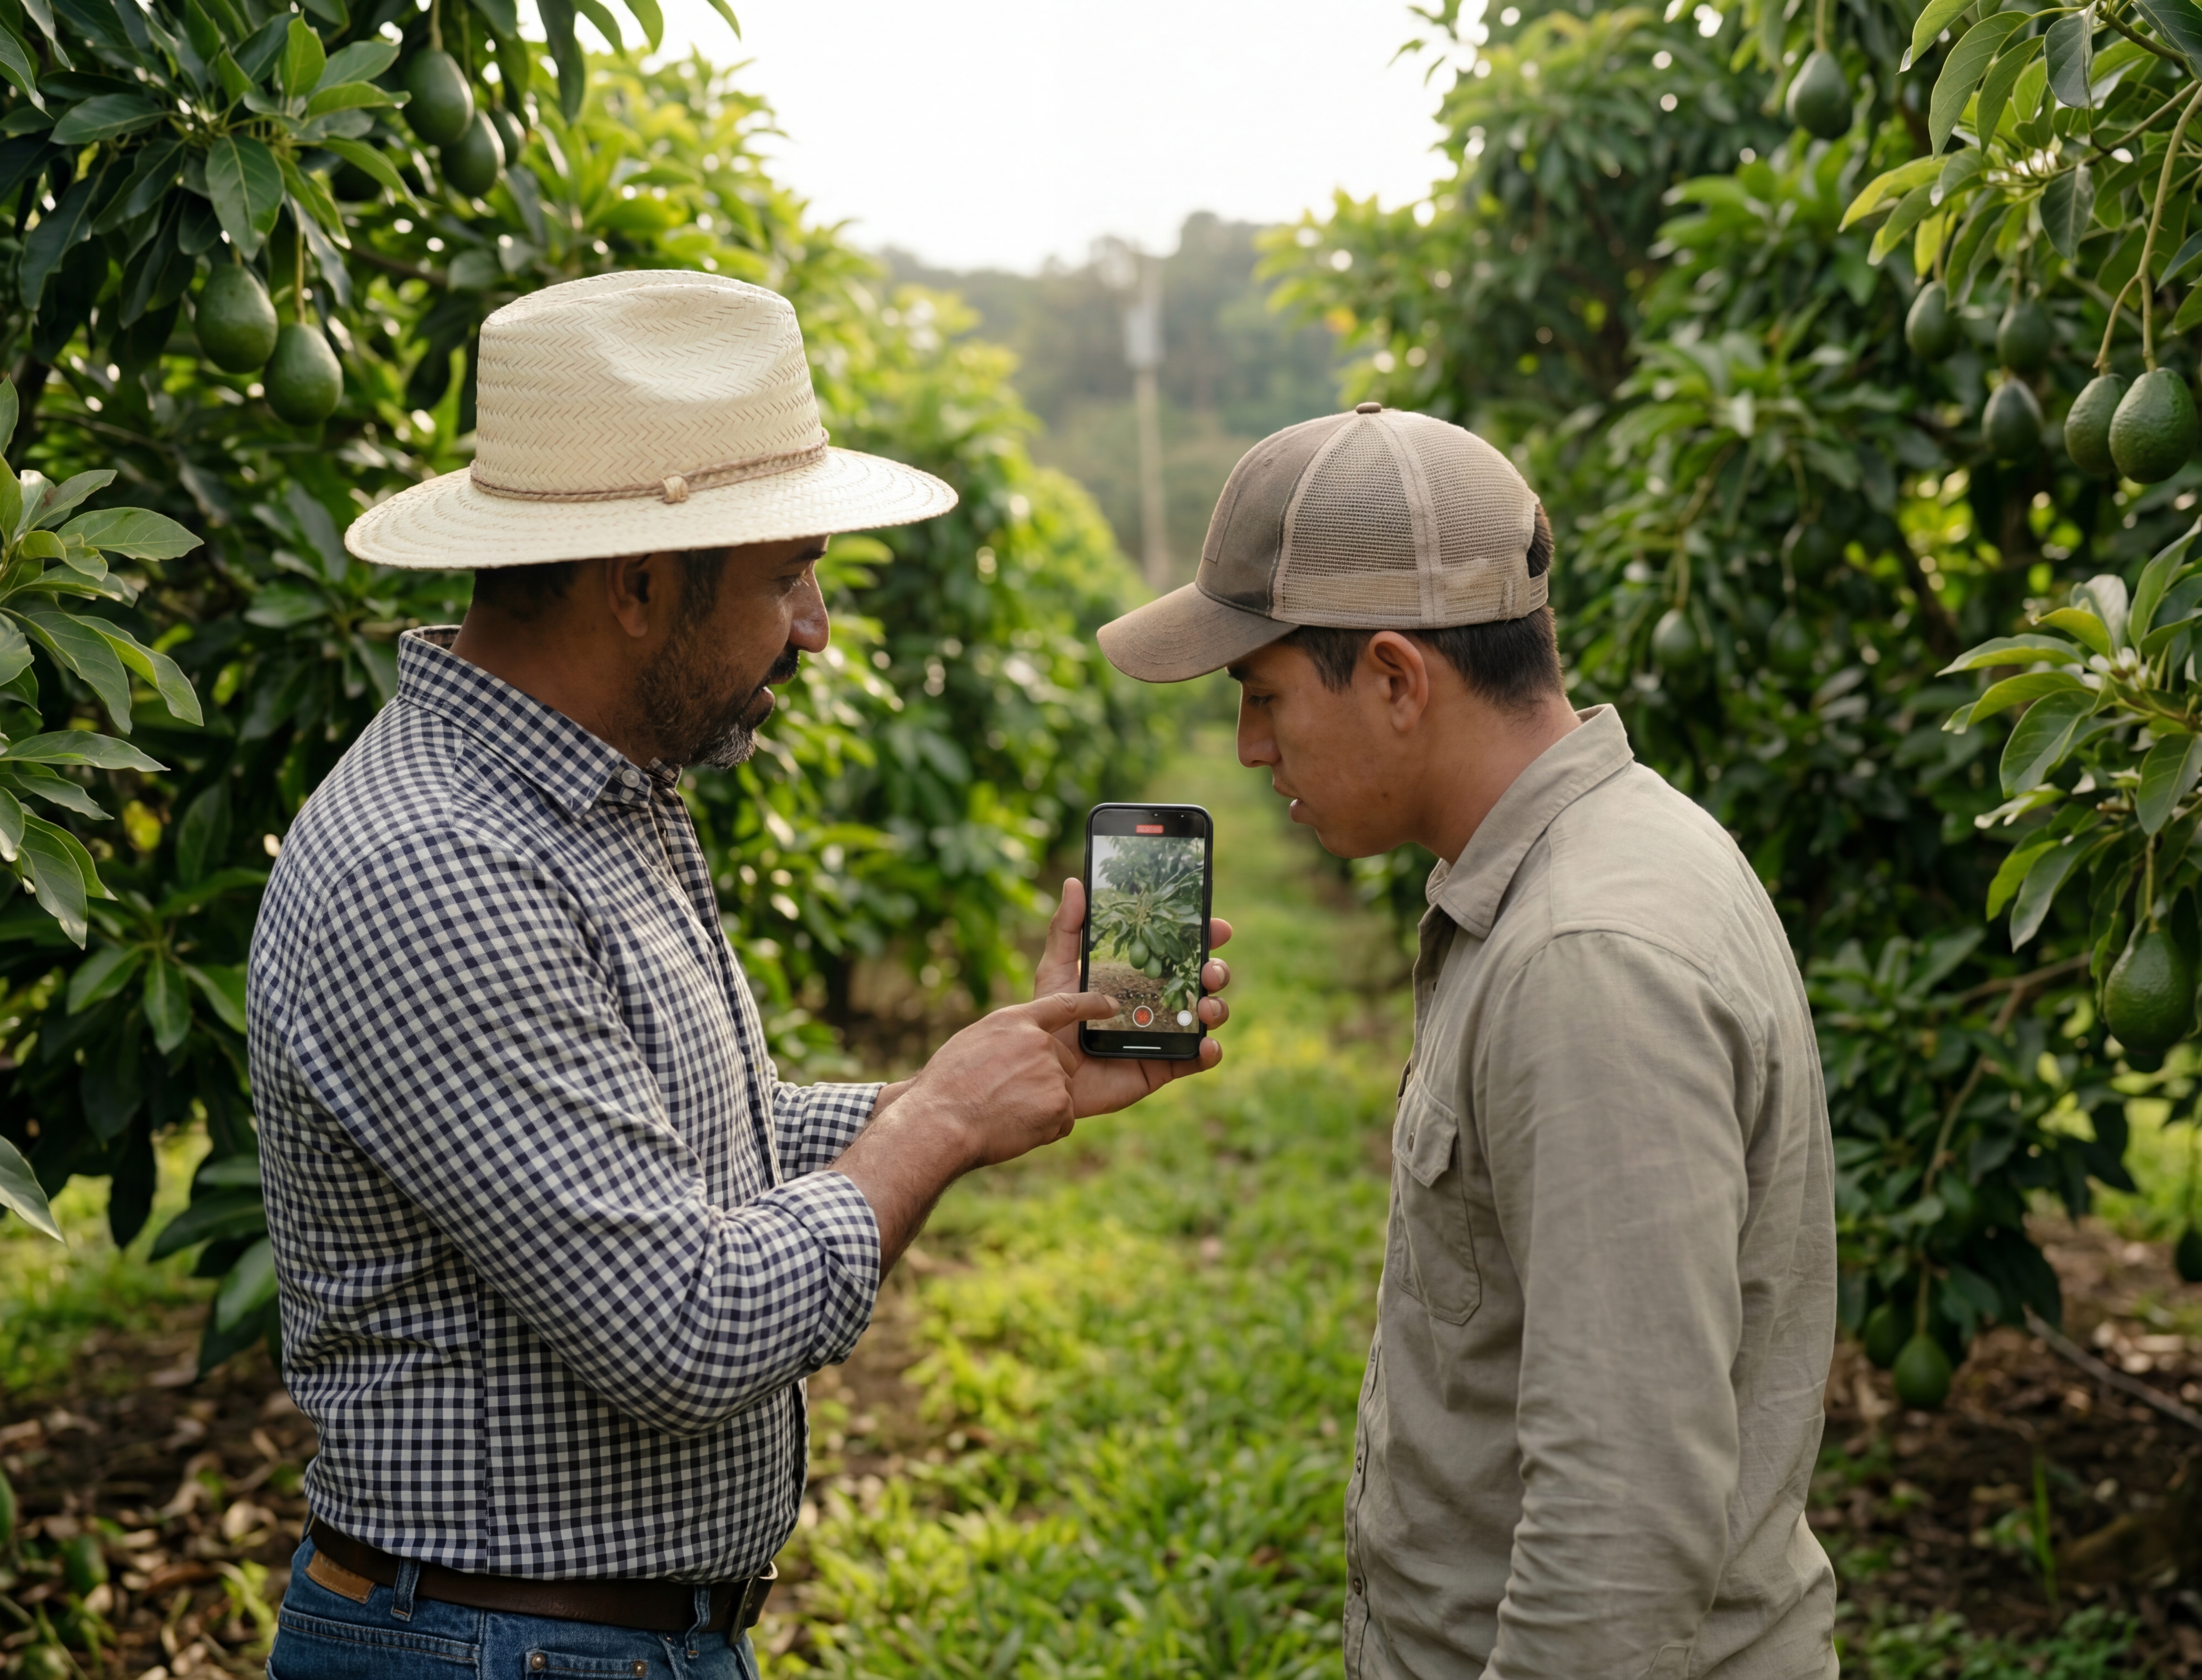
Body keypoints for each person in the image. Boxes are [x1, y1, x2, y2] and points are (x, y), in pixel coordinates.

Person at [246, 270, 1233, 1680]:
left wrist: (989, 1079)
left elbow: (691, 1148)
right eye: (787, 576)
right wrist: (935, 1126)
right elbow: (686, 1328)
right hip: (495, 1648)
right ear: (642, 585)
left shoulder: (597, 796)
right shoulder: (442, 861)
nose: (815, 626)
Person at [1098, 403, 1837, 1680]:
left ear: (1396, 678)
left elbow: (1620, 1535)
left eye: (1264, 697)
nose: (1250, 749)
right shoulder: (1589, 868)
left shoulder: (1587, 961)